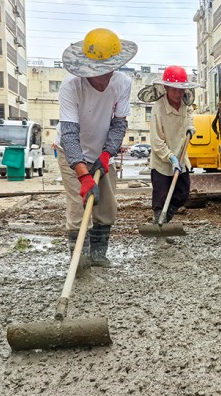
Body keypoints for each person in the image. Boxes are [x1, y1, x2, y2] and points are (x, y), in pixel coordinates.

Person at [56, 28, 137, 272]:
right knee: (79, 206)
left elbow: (119, 124)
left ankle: (98, 256)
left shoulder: (122, 83)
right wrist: (83, 175)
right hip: (71, 153)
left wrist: (107, 153)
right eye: (97, 72)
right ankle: (80, 263)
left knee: (106, 206)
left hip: (103, 152)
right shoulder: (71, 87)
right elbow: (69, 134)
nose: (103, 78)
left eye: (108, 70)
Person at [148, 65, 196, 246]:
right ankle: (159, 234)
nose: (178, 94)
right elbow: (156, 141)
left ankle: (162, 225)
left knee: (182, 193)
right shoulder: (159, 109)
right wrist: (170, 157)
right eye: (174, 89)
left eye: (181, 90)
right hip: (162, 161)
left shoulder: (185, 103)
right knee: (160, 199)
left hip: (181, 156)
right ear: (166, 88)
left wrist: (190, 127)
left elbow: (189, 114)